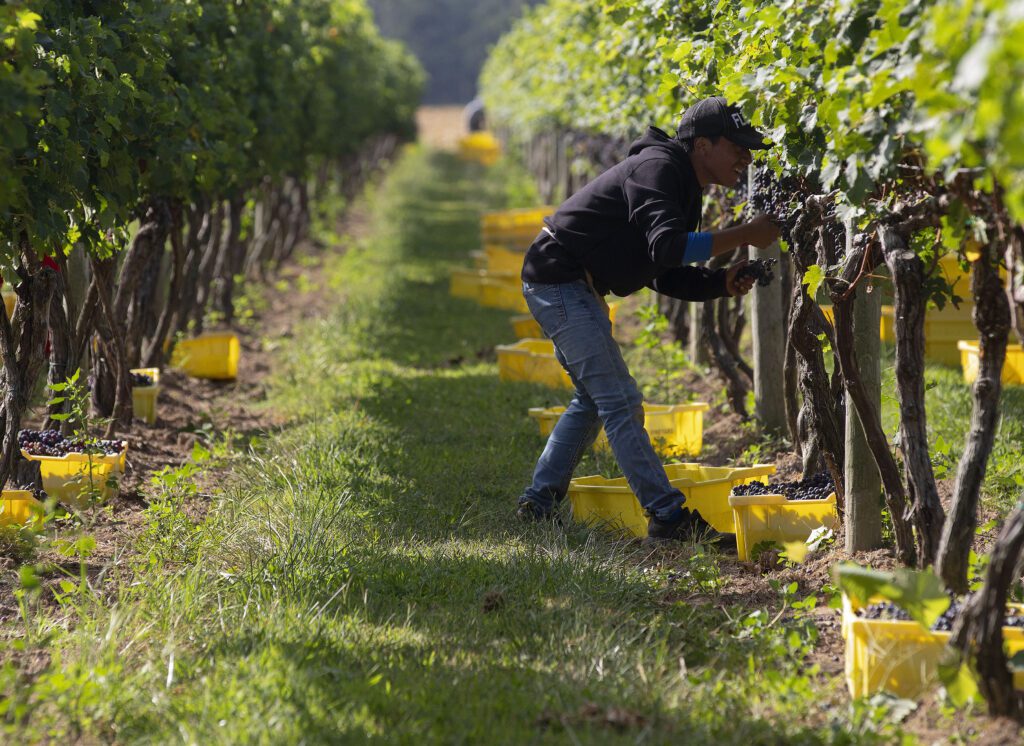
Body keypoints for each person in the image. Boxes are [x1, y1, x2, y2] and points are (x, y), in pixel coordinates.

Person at [516, 95, 781, 546]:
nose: (746, 156)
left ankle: (537, 502)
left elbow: (664, 270)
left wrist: (720, 282)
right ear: (702, 145)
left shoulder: (681, 182)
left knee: (595, 399)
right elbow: (667, 248)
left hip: (567, 281)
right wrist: (746, 234)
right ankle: (667, 515)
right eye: (736, 145)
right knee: (619, 400)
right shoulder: (658, 169)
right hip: (558, 279)